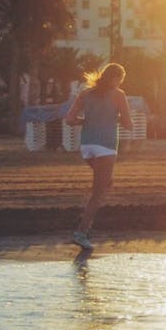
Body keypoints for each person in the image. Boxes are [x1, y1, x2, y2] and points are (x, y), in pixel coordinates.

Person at [63, 62, 133, 251]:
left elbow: (69, 120)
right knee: (99, 193)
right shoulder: (119, 95)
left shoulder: (85, 94)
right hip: (106, 147)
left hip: (87, 147)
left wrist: (87, 120)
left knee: (106, 183)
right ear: (116, 78)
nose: (120, 83)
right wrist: (115, 119)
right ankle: (81, 232)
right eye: (120, 79)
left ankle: (85, 218)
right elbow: (128, 124)